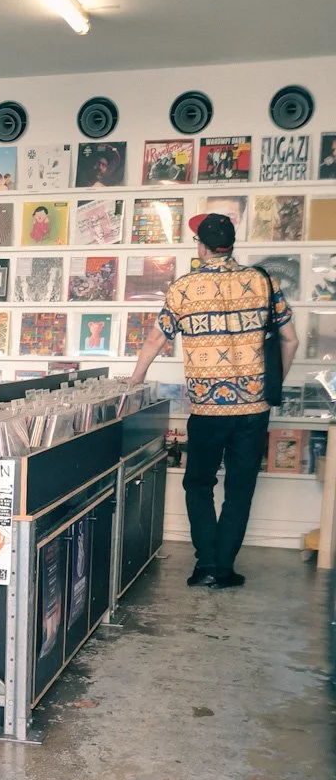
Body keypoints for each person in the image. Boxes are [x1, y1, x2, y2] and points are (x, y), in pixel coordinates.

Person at [129, 211, 299, 589]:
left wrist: (135, 381)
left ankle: (205, 564)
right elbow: (291, 340)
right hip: (253, 409)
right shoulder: (264, 282)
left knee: (198, 483)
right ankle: (224, 568)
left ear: (202, 246)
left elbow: (156, 340)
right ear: (230, 245)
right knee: (240, 488)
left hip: (207, 409)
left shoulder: (184, 288)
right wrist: (271, 385)